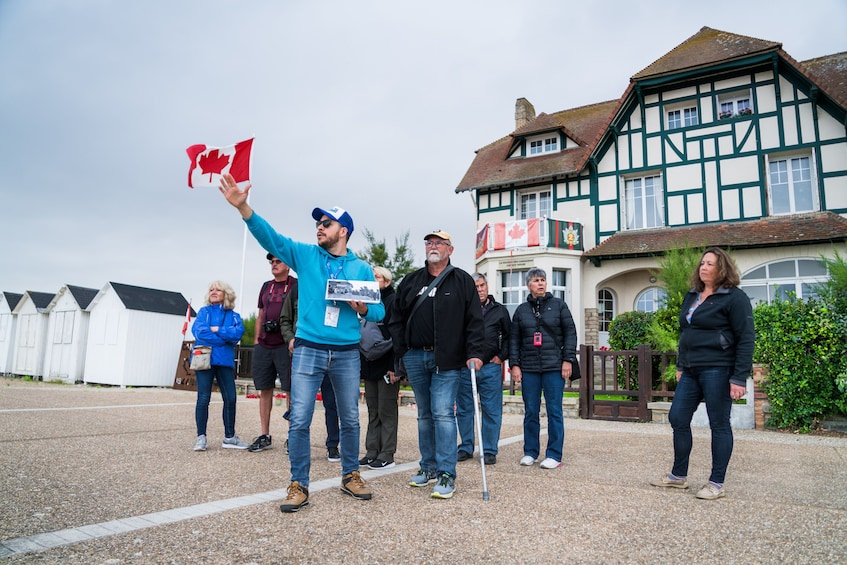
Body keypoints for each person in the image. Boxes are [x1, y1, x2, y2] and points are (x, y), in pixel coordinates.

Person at [218, 173, 385, 513]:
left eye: (327, 223)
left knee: (350, 419)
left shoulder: (361, 268)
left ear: (344, 231)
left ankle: (350, 474)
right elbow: (272, 239)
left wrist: (363, 307)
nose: (319, 228)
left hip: (346, 352)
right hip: (308, 347)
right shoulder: (307, 256)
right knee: (300, 419)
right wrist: (244, 207)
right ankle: (299, 483)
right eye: (318, 224)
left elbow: (380, 311)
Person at [650, 247, 755, 500]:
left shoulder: (734, 297)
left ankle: (716, 483)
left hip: (718, 368)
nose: (703, 267)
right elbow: (686, 334)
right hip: (691, 369)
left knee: (718, 423)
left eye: (710, 263)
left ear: (722, 269)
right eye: (702, 263)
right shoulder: (693, 294)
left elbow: (746, 338)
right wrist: (680, 365)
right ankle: (678, 476)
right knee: (677, 417)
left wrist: (739, 376)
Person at [387, 230, 484, 499]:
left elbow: (475, 321)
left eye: (439, 243)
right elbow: (394, 317)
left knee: (442, 413)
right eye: (429, 242)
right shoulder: (411, 280)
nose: (433, 246)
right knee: (424, 415)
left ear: (450, 250)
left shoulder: (462, 280)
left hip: (448, 359)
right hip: (416, 357)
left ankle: (446, 472)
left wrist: (474, 352)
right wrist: (403, 349)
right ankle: (427, 467)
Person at [509, 267, 578, 470]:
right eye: (536, 280)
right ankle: (530, 451)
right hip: (529, 368)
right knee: (531, 411)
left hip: (553, 367)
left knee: (554, 411)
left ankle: (554, 454)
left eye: (543, 280)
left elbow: (570, 334)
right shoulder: (521, 310)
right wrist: (515, 365)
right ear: (529, 285)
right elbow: (514, 340)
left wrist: (568, 360)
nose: (540, 283)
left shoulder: (559, 306)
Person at [280, 283, 341, 462]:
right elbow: (285, 318)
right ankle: (295, 444)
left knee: (332, 403)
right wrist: (290, 339)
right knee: (301, 404)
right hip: (306, 351)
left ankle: (332, 445)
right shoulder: (299, 287)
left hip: (331, 350)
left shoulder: (336, 284)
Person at [456, 273, 510, 465]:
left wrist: (501, 357)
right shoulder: (462, 310)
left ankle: (489, 450)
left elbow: (509, 337)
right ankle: (465, 447)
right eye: (475, 286)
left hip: (490, 368)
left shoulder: (500, 310)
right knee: (464, 409)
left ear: (487, 286)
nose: (479, 289)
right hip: (465, 368)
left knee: (491, 410)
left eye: (482, 285)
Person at [247, 254, 297, 453]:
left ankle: (292, 436)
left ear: (288, 266)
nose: (274, 265)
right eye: (272, 262)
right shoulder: (266, 286)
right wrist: (256, 341)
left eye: (278, 262)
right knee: (264, 388)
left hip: (285, 344)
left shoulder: (295, 285)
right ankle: (265, 434)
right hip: (265, 345)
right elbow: (260, 314)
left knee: (291, 390)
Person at [191, 280, 247, 451]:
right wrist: (224, 339)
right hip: (205, 359)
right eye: (211, 289)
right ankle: (201, 438)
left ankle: (229, 437)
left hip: (224, 361)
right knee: (203, 398)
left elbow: (238, 333)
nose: (213, 292)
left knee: (230, 398)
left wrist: (216, 330)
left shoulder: (234, 315)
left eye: (218, 289)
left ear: (226, 294)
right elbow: (199, 332)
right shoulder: (203, 312)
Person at [359, 266, 399, 470]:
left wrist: (395, 367)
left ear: (387, 281)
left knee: (387, 410)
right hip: (370, 364)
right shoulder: (368, 301)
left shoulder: (392, 302)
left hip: (387, 365)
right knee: (373, 409)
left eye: (377, 276)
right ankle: (372, 450)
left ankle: (387, 454)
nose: (373, 279)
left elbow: (397, 337)